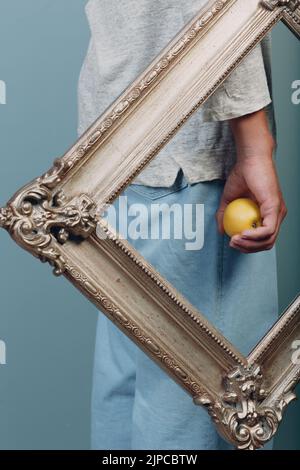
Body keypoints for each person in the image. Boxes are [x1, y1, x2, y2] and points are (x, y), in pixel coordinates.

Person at [78, 0, 287, 450]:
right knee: (209, 399)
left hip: (111, 148)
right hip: (187, 149)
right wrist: (252, 143)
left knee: (133, 382)